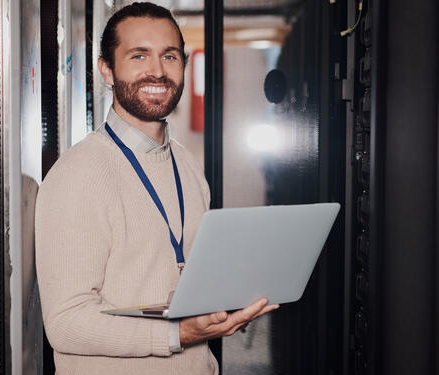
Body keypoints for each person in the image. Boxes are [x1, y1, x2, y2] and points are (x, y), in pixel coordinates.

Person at [35, 2, 279, 374]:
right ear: (106, 70)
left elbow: (190, 283)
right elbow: (66, 324)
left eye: (170, 56)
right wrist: (177, 334)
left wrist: (225, 309)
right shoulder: (77, 174)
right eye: (138, 55)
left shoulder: (186, 164)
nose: (157, 71)